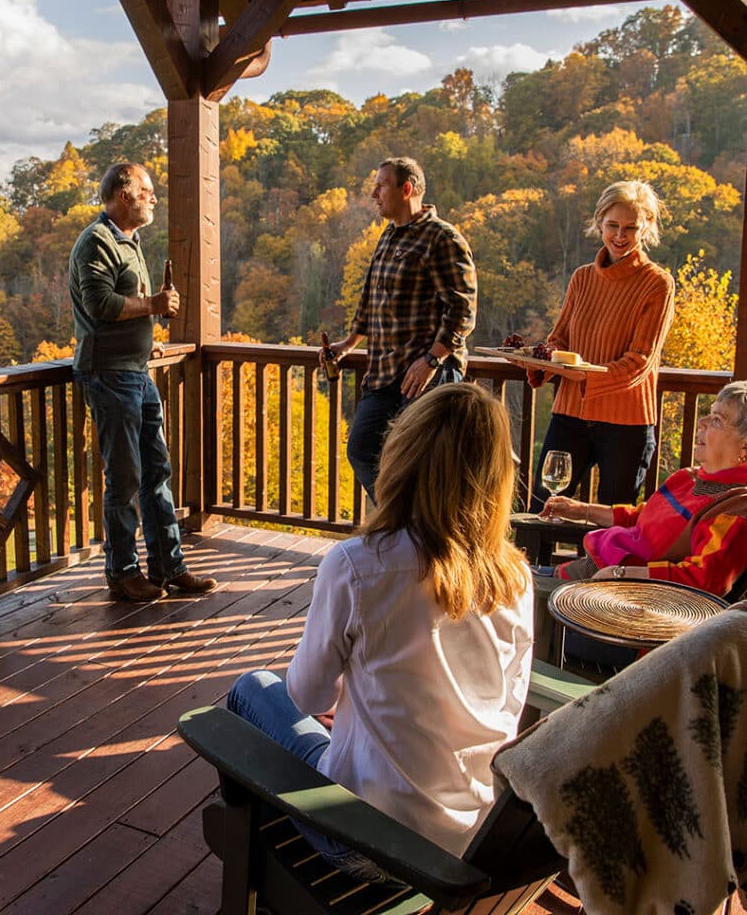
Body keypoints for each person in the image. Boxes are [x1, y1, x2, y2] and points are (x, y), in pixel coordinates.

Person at [227, 382, 533, 880]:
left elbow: (305, 696)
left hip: (365, 841)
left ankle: (254, 859)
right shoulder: (515, 579)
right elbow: (508, 711)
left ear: (403, 456)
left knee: (253, 689)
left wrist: (345, 698)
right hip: (467, 843)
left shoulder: (357, 565)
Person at [68, 162, 216, 602]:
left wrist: (143, 340)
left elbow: (122, 307)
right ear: (123, 194)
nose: (154, 198)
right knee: (125, 478)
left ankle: (169, 567)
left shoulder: (129, 242)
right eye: (147, 191)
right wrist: (153, 304)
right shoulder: (96, 242)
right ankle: (122, 572)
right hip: (109, 376)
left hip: (135, 370)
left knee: (157, 473)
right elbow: (98, 304)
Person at [322, 157, 476, 501]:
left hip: (426, 375)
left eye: (381, 185)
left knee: (422, 467)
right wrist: (348, 343)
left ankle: (419, 538)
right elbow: (371, 296)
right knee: (363, 450)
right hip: (385, 372)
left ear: (406, 189)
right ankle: (404, 528)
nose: (374, 193)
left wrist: (433, 360)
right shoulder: (389, 236)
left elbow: (463, 309)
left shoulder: (442, 238)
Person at [524, 181, 674, 510]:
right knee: (539, 511)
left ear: (647, 226)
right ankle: (534, 565)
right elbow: (558, 341)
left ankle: (594, 567)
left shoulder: (657, 284)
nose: (620, 236)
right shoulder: (581, 278)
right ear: (599, 223)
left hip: (626, 424)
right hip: (569, 415)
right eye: (613, 226)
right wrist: (539, 365)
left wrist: (585, 378)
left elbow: (640, 362)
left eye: (631, 228)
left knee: (610, 528)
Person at [541, 380, 747, 597]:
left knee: (508, 590)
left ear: (745, 445)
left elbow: (704, 580)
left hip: (608, 603)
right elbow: (644, 517)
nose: (701, 422)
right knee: (510, 578)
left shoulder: (734, 508)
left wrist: (622, 574)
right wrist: (581, 510)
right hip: (585, 576)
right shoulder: (689, 478)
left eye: (716, 420)